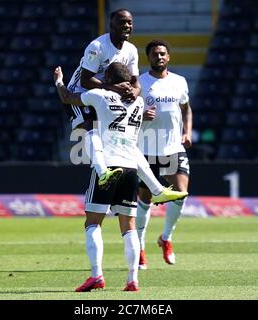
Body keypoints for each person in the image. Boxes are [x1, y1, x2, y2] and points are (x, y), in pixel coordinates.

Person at [54, 62, 188, 292]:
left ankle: (96, 275)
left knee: (93, 223)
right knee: (128, 227)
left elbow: (67, 98)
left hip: (109, 165)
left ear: (107, 77)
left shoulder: (101, 95)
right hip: (130, 169)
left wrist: (58, 80)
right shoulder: (138, 102)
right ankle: (132, 280)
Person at [64, 9, 171, 201]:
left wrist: (134, 92)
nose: (127, 26)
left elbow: (136, 83)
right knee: (90, 127)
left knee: (127, 138)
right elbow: (86, 80)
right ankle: (102, 171)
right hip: (79, 94)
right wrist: (113, 89)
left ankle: (156, 189)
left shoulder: (130, 50)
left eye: (129, 22)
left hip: (107, 94)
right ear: (111, 26)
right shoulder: (97, 46)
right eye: (122, 22)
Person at [136, 40, 193, 269]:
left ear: (168, 57)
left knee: (181, 194)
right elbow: (126, 114)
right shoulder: (139, 82)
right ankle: (139, 248)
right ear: (148, 57)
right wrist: (141, 115)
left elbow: (186, 108)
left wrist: (187, 132)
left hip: (172, 149)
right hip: (146, 150)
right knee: (145, 201)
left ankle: (166, 238)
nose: (159, 57)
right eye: (154, 54)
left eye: (162, 54)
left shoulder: (180, 82)